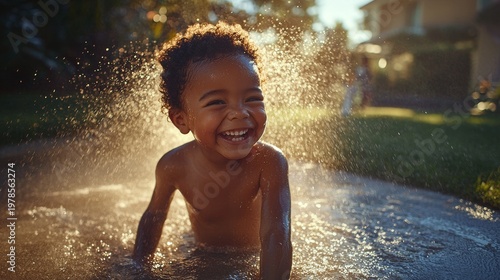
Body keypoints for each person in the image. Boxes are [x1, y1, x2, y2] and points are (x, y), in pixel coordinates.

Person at [132, 22, 292, 279]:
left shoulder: (269, 162)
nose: (240, 113)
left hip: (252, 254)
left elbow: (276, 234)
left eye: (252, 98)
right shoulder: (173, 166)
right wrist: (138, 268)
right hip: (202, 252)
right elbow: (154, 216)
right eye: (217, 102)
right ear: (182, 119)